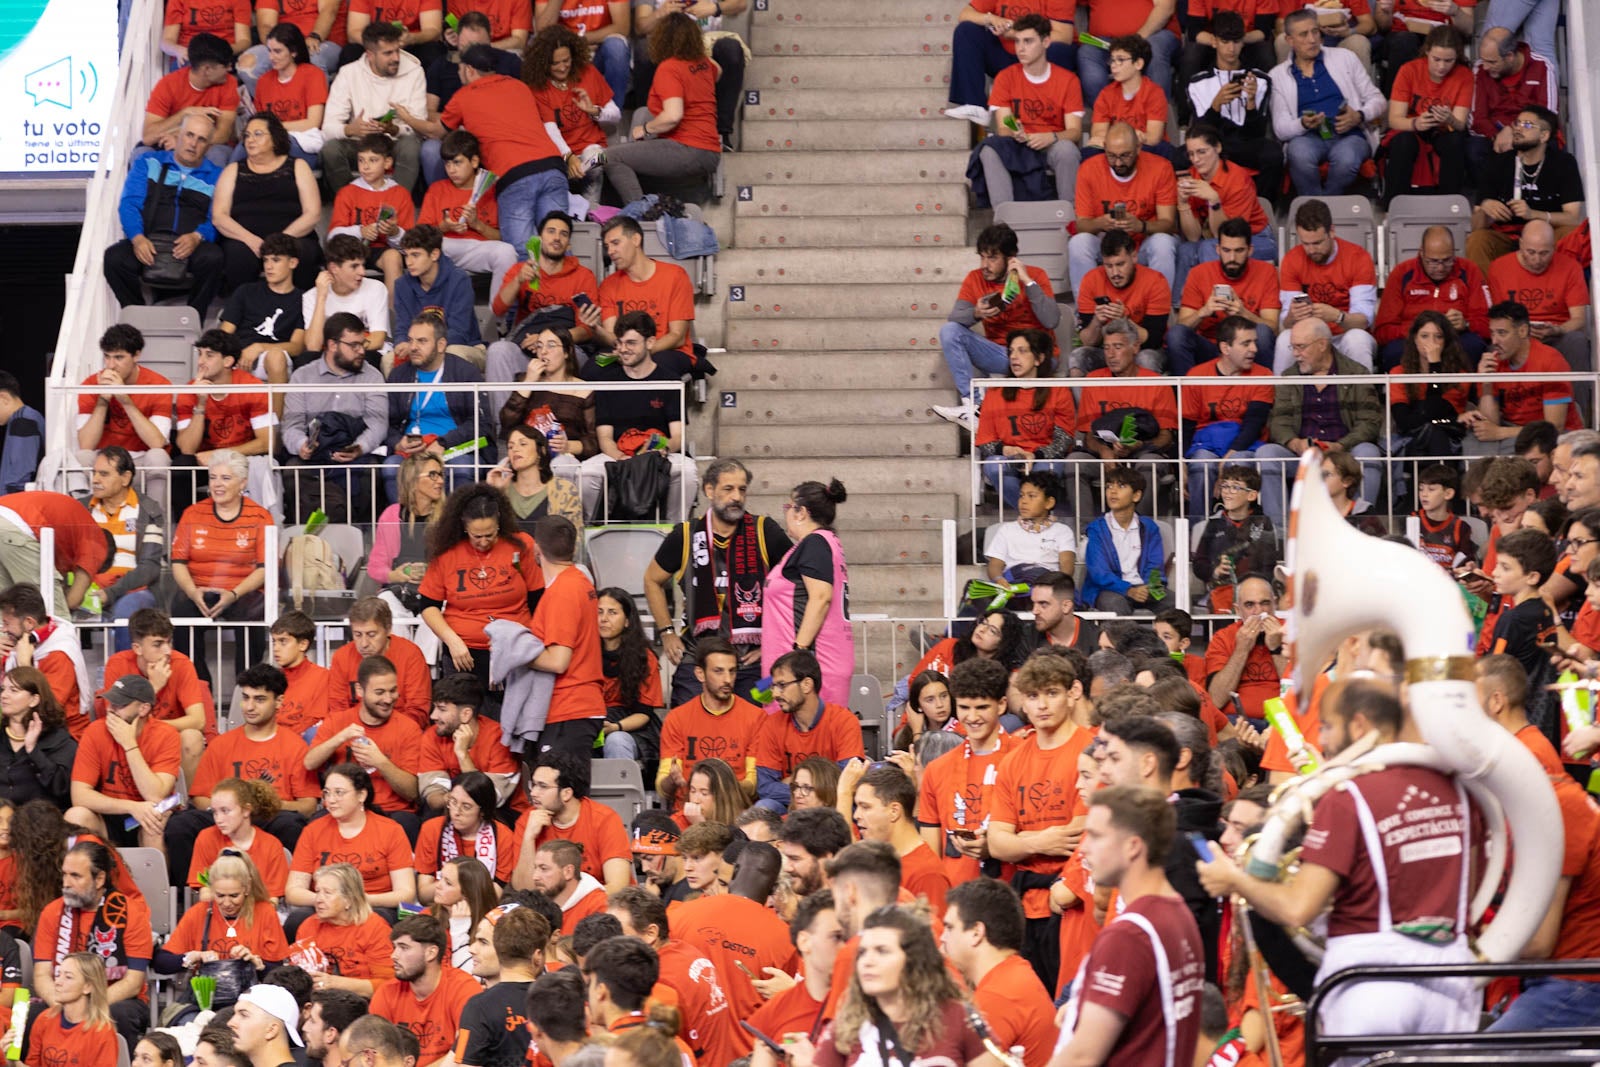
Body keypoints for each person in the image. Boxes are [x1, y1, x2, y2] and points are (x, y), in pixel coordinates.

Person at [1197, 680, 1480, 1044]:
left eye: (1327, 727)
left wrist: (1235, 881)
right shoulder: (1458, 789)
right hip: (1452, 982)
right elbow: (1469, 890)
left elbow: (1299, 908)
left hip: (1372, 987)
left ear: (1359, 725)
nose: (1323, 741)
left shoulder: (1346, 796)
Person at [1055, 785, 1205, 1067]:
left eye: (1097, 836)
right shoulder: (1177, 912)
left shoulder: (1130, 935)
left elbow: (1082, 1056)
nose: (1084, 847)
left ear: (1133, 846)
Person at [645, 460, 792, 704]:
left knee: (758, 727)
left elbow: (795, 588)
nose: (737, 497)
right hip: (697, 658)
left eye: (742, 490)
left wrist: (771, 644)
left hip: (750, 662)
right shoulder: (685, 534)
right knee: (687, 722)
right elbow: (651, 579)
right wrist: (667, 632)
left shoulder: (765, 530)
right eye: (728, 489)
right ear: (709, 490)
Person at [988, 654, 1092, 988]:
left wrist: (1020, 843)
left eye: (1051, 693)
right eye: (1033, 696)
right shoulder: (1013, 760)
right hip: (1024, 905)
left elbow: (1082, 835)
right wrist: (1042, 841)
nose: (1042, 705)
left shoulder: (1091, 751)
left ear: (1072, 692)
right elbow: (996, 842)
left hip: (1071, 901)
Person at [783, 907, 987, 1067]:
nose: (867, 961)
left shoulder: (961, 1019)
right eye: (863, 952)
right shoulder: (846, 1025)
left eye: (882, 951)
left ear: (914, 959)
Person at [440, 44, 570, 255]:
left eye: (460, 68)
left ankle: (536, 288)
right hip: (553, 167)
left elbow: (438, 130)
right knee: (556, 246)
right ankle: (568, 289)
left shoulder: (463, 96)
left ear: (470, 70)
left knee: (523, 252)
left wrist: (409, 119)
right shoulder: (519, 85)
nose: (458, 72)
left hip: (515, 175)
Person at [1256, 318, 1383, 530]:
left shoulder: (1356, 373)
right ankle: (1280, 535)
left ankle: (1359, 527)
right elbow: (1279, 421)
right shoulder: (1289, 377)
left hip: (1344, 453)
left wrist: (1340, 446)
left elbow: (1369, 422)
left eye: (1301, 347)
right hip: (1303, 456)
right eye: (1293, 347)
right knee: (1266, 454)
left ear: (1322, 344)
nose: (1295, 353)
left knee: (1369, 452)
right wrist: (1295, 443)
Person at [933, 224, 1061, 429]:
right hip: (1001, 354)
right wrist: (976, 313)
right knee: (950, 331)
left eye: (992, 258)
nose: (985, 264)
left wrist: (1026, 281)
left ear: (1010, 258)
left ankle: (977, 409)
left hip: (1039, 356)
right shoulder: (975, 278)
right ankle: (973, 405)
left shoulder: (1035, 275)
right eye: (982, 257)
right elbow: (955, 316)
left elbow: (1051, 320)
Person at [418, 482, 542, 689]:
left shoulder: (522, 545)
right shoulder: (446, 552)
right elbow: (428, 605)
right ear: (464, 527)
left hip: (514, 650)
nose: (484, 542)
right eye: (477, 536)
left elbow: (538, 598)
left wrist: (532, 642)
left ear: (499, 525)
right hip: (463, 653)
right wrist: (452, 641)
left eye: (490, 535)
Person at [577, 312, 698, 522]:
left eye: (631, 343)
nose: (623, 349)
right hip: (619, 454)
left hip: (659, 454)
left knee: (688, 470)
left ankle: (676, 532)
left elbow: (678, 435)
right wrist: (620, 458)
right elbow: (604, 436)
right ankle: (590, 532)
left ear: (650, 342)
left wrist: (662, 449)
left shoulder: (668, 379)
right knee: (586, 473)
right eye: (620, 343)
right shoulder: (607, 381)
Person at [33, 842, 154, 1049]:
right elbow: (42, 974)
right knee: (33, 1015)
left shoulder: (131, 913)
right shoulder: (52, 912)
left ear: (99, 879)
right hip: (63, 995)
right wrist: (58, 1000)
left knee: (119, 1015)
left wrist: (88, 1005)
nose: (66, 883)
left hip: (115, 999)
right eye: (64, 875)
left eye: (76, 876)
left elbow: (133, 982)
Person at [106, 112, 227, 316]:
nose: (193, 143)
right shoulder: (149, 161)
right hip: (149, 241)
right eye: (189, 135)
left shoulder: (216, 175)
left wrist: (198, 237)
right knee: (114, 259)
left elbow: (216, 217)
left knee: (214, 258)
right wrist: (137, 238)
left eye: (201, 139)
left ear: (208, 146)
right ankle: (137, 315)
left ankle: (194, 317)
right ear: (178, 135)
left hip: (189, 244)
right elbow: (129, 204)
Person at [168, 450, 272, 685]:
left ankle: (247, 689)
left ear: (242, 482)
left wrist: (234, 594)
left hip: (243, 590)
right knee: (181, 613)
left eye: (225, 478)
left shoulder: (260, 516)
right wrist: (193, 592)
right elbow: (178, 563)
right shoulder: (193, 513)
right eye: (213, 477)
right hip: (200, 589)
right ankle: (199, 688)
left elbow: (264, 568)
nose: (217, 485)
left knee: (254, 615)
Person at [281, 311, 390, 524]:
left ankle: (360, 537)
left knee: (370, 475)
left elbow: (377, 423)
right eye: (354, 345)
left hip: (355, 452)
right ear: (332, 345)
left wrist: (359, 447)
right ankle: (304, 539)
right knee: (291, 474)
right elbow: (291, 425)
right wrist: (301, 445)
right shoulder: (302, 376)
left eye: (363, 344)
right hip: (313, 455)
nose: (361, 351)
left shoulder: (372, 376)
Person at [668, 840, 798, 1018]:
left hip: (689, 1039)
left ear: (734, 871)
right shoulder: (786, 938)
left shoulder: (680, 915)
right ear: (774, 887)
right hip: (753, 1043)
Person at [601, 13, 721, 204]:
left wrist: (646, 128)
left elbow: (673, 115)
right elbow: (719, 71)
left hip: (687, 148)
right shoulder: (703, 63)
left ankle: (639, 213)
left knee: (609, 156)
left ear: (662, 39)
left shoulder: (670, 67)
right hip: (710, 152)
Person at [914, 658, 1016, 883]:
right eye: (964, 708)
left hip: (1011, 895)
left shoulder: (1024, 758)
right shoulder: (937, 769)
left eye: (981, 707)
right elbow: (932, 854)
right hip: (955, 898)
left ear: (1001, 705)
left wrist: (998, 846)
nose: (972, 717)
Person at [942, 879, 1060, 1067]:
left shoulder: (999, 994)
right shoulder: (1011, 975)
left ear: (976, 933)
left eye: (949, 927)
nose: (943, 937)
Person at [971, 14, 1084, 210]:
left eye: (1028, 41)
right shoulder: (1005, 77)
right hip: (1019, 143)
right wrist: (1016, 131)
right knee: (989, 149)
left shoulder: (1068, 80)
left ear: (1046, 42)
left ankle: (1069, 215)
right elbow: (1005, 125)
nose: (1020, 48)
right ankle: (1004, 217)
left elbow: (1074, 131)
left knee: (1067, 150)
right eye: (1017, 41)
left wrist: (1052, 136)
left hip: (1051, 143)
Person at [1268, 9, 1384, 196]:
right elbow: (1280, 129)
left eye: (1315, 31)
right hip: (1308, 137)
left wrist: (1359, 115)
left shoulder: (1345, 58)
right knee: (1298, 153)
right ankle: (1315, 204)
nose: (1312, 39)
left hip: (1349, 135)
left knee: (1347, 158)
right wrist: (1302, 123)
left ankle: (1323, 207)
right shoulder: (1278, 75)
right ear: (1290, 41)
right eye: (1304, 34)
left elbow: (1377, 100)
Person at [94, 605, 212, 785]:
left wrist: (155, 727)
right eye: (158, 644)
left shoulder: (181, 663)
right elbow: (116, 718)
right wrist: (152, 687)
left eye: (169, 642)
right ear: (137, 648)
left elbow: (198, 721)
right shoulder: (118, 664)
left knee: (192, 737)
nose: (167, 651)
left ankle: (189, 805)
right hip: (129, 736)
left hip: (167, 737)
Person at [306, 658, 424, 836]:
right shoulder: (338, 721)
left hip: (392, 812)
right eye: (379, 692)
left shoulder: (409, 728)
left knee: (408, 824)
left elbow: (412, 792)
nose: (388, 699)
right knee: (316, 824)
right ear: (360, 691)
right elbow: (309, 763)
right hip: (345, 809)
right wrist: (340, 738)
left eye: (393, 691)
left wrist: (380, 762)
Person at [761, 480, 854, 707]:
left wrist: (799, 651)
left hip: (801, 669)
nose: (787, 514)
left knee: (794, 735)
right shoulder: (822, 543)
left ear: (801, 512)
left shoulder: (815, 543)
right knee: (759, 708)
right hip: (784, 666)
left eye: (788, 507)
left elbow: (821, 597)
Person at [383, 313, 492, 502]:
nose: (413, 347)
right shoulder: (399, 375)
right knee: (391, 468)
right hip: (411, 453)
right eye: (410, 340)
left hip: (454, 449)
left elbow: (481, 424)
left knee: (463, 468)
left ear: (441, 345)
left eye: (422, 341)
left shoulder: (465, 372)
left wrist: (443, 443)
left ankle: (454, 526)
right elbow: (386, 423)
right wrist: (397, 443)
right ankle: (405, 527)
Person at [212, 112, 323, 295]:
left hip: (292, 237)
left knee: (305, 253)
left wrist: (280, 241)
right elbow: (219, 216)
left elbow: (312, 213)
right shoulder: (233, 170)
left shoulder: (298, 166)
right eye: (247, 135)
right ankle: (243, 315)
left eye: (257, 134)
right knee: (238, 256)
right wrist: (251, 240)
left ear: (275, 138)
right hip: (244, 240)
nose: (250, 140)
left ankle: (301, 314)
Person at [65, 674, 179, 851]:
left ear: (143, 709)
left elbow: (155, 795)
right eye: (111, 703)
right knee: (75, 816)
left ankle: (154, 879)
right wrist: (132, 807)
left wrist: (129, 744)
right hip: (112, 814)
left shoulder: (166, 735)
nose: (111, 710)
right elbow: (80, 796)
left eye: (120, 705)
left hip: (149, 814)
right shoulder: (95, 731)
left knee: (153, 824)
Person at [288, 764, 418, 918]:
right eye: (327, 793)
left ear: (361, 795)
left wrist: (360, 899)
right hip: (325, 905)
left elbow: (406, 893)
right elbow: (293, 891)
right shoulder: (313, 831)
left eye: (339, 793)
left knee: (378, 919)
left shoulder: (391, 830)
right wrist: (330, 900)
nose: (331, 800)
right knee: (298, 919)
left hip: (373, 905)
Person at [488, 229, 603, 404]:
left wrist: (548, 341)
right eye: (551, 232)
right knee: (498, 350)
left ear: (569, 244)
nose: (557, 237)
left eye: (563, 234)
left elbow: (587, 330)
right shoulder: (521, 270)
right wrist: (518, 280)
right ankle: (503, 427)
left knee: (562, 353)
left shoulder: (582, 275)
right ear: (540, 239)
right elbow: (498, 310)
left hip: (567, 349)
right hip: (526, 349)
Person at [1466, 105, 1584, 274]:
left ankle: (1561, 289)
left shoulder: (1563, 162)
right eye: (1517, 123)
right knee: (1477, 240)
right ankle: (1488, 297)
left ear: (1544, 135)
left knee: (1571, 234)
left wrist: (1533, 214)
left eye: (1527, 125)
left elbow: (1573, 218)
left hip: (1546, 236)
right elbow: (1475, 226)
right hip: (1506, 235)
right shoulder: (1497, 163)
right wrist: (1485, 209)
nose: (1518, 129)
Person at [1177, 319, 1275, 519]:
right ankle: (1197, 535)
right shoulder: (1196, 375)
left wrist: (1228, 458)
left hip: (1246, 446)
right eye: (1246, 343)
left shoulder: (1263, 374)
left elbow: (1254, 425)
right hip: (1205, 445)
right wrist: (1180, 463)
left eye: (1254, 342)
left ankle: (1241, 529)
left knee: (1237, 463)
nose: (1254, 349)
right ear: (1225, 347)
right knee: (1201, 464)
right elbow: (1186, 427)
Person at [1067, 123, 1178, 299]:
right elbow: (1082, 225)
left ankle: (1160, 309)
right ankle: (1085, 313)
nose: (1118, 163)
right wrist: (1100, 223)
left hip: (1142, 244)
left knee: (1163, 243)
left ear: (1138, 148)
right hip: (1106, 245)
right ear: (1104, 148)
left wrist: (1140, 225)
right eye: (1111, 156)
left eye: (1125, 156)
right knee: (1079, 243)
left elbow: (1168, 223)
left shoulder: (1161, 167)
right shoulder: (1089, 169)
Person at [172, 330, 275, 515]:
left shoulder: (252, 387)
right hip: (205, 461)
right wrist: (200, 403)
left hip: (244, 457)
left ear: (228, 361)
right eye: (200, 354)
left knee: (265, 465)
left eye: (209, 355)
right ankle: (185, 528)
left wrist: (219, 454)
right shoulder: (189, 391)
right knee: (181, 467)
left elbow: (266, 441)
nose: (201, 361)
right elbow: (187, 448)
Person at [74, 325, 174, 511]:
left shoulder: (159, 384)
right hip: (105, 461)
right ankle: (84, 524)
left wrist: (125, 400)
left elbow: (157, 442)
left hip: (140, 463)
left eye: (119, 357)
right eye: (107, 356)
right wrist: (103, 399)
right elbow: (86, 443)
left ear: (136, 356)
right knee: (81, 457)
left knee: (158, 456)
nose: (111, 365)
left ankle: (157, 528)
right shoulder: (90, 384)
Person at [1462, 301, 1581, 456]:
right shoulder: (1493, 361)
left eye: (1502, 333)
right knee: (1473, 446)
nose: (1495, 341)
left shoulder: (1551, 360)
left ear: (1523, 331)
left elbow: (1553, 427)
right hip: (1510, 427)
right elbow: (1489, 424)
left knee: (1513, 455)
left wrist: (1500, 433)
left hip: (1550, 433)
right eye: (1492, 333)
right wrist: (1486, 381)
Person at [974, 330, 1075, 512]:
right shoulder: (996, 391)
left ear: (1039, 358)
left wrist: (1035, 455)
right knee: (994, 466)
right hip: (1011, 456)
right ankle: (1037, 517)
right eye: (1011, 351)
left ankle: (1035, 518)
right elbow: (985, 441)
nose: (1014, 357)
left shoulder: (1058, 390)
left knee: (1044, 471)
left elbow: (1063, 439)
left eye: (1022, 351)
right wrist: (1007, 450)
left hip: (1044, 457)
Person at [1486, 219, 1593, 392]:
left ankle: (1577, 410)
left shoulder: (1570, 267)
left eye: (1544, 253)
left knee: (1577, 341)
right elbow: (1497, 318)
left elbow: (1579, 319)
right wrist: (1519, 333)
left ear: (1554, 247)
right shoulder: (1499, 268)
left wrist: (1558, 330)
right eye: (1531, 252)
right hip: (1515, 335)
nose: (1537, 260)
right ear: (1520, 244)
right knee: (1495, 346)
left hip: (1556, 333)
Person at [1181, 12, 1279, 198]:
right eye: (1225, 42)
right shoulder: (1198, 82)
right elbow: (1201, 132)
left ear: (1243, 42)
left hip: (1246, 143)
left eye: (1236, 41)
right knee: (1179, 157)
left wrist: (1251, 103)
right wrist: (1216, 105)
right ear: (1214, 42)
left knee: (1273, 154)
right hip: (1214, 144)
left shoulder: (1261, 80)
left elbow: (1256, 133)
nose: (1231, 49)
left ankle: (1263, 207)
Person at [1274, 199, 1378, 372]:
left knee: (1357, 339)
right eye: (1305, 244)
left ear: (1331, 232)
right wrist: (1293, 316)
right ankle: (1281, 397)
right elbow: (1287, 323)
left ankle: (1364, 398)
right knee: (1285, 339)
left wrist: (1337, 317)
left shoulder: (1358, 257)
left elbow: (1364, 321)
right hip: (1309, 337)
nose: (1311, 250)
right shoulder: (1293, 259)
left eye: (1317, 243)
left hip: (1346, 334)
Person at [754, 649, 865, 812]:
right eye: (773, 686)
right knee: (764, 807)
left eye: (782, 685)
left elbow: (847, 782)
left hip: (832, 805)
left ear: (806, 685)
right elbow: (765, 788)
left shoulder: (844, 721)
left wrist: (793, 783)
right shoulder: (771, 724)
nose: (775, 694)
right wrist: (812, 789)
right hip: (790, 804)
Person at [321, 23, 427, 192]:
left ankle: (394, 207)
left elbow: (420, 129)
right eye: (388, 53)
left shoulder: (415, 72)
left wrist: (394, 129)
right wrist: (350, 129)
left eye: (397, 50)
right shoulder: (348, 73)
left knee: (411, 146)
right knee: (331, 149)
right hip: (359, 143)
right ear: (370, 55)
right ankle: (349, 203)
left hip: (395, 143)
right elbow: (328, 129)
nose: (396, 58)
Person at [80, 448, 166, 653]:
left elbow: (150, 568)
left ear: (126, 477)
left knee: (126, 611)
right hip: (87, 589)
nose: (95, 480)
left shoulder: (148, 510)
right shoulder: (81, 509)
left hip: (134, 590)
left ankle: (124, 680)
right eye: (94, 473)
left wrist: (110, 593)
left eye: (104, 474)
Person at [1167, 221, 1280, 378]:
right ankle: (1187, 397)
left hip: (1247, 348)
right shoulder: (1199, 273)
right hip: (1210, 347)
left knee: (1262, 331)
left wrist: (1243, 313)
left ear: (1250, 250)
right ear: (1218, 250)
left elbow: (1272, 328)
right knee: (1176, 335)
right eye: (1226, 250)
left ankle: (1262, 394)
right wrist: (1203, 312)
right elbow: (1182, 326)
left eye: (1239, 251)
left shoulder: (1266, 272)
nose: (1232, 258)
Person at [1173, 125, 1276, 293]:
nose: (1196, 160)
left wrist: (1214, 201)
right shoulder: (1192, 176)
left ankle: (1218, 304)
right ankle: (1181, 310)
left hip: (1254, 238)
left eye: (1201, 152)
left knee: (1210, 247)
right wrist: (1183, 203)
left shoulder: (1238, 179)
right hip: (1213, 238)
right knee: (1185, 250)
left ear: (1218, 148)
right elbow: (1192, 237)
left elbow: (1226, 236)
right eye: (1191, 154)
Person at [369, 914, 483, 1066]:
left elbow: (466, 1054)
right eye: (395, 947)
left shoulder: (463, 988)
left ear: (431, 953)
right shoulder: (386, 992)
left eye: (404, 948)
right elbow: (375, 1054)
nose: (394, 956)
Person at [513, 749, 632, 892]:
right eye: (534, 785)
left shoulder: (604, 819)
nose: (533, 793)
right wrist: (529, 839)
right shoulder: (528, 820)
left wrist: (573, 905)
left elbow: (618, 886)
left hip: (598, 906)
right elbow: (523, 890)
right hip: (549, 908)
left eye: (542, 786)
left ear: (566, 794)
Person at [943, 0, 1078, 125]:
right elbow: (965, 14)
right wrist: (991, 19)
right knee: (966, 30)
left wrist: (1015, 33)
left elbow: (1064, 36)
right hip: (1004, 54)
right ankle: (974, 104)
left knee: (1058, 48)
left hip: (1041, 59)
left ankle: (1050, 111)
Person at [1374, 227, 1491, 371]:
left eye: (1447, 260)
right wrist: (1419, 331)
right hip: (1411, 340)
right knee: (1393, 352)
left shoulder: (1470, 271)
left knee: (1474, 346)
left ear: (1454, 253)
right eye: (1433, 261)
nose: (1441, 268)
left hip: (1456, 338)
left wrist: (1466, 324)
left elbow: (1488, 325)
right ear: (1421, 253)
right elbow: (1382, 331)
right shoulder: (1402, 273)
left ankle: (1463, 393)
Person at [493, 321, 596, 483]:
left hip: (563, 456)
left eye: (551, 345)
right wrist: (529, 382)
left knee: (561, 465)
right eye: (539, 346)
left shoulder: (583, 389)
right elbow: (506, 421)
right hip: (527, 453)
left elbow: (593, 442)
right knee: (502, 468)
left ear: (567, 352)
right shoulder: (524, 380)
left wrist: (568, 446)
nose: (544, 352)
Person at [1379, 26, 1470, 206]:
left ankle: (1449, 205)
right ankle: (1393, 206)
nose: (1441, 66)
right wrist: (1416, 123)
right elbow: (1395, 119)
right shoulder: (1409, 70)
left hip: (1444, 130)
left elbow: (1460, 124)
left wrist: (1449, 118)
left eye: (1448, 61)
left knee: (1455, 142)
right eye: (1436, 59)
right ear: (1427, 51)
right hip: (1411, 127)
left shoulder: (1463, 75)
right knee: (1404, 142)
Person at [162, 852, 289, 979]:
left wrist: (257, 964)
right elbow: (162, 963)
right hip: (208, 992)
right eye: (220, 896)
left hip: (252, 992)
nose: (227, 903)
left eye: (234, 896)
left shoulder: (265, 912)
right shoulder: (199, 912)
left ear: (247, 888)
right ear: (211, 890)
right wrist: (195, 956)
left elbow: (280, 972)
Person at [523, 27, 616, 201]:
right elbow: (550, 129)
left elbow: (616, 114)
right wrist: (569, 157)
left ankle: (591, 212)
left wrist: (595, 111)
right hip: (559, 154)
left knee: (598, 160)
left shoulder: (588, 72)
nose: (562, 67)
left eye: (566, 60)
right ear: (543, 63)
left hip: (596, 149)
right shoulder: (538, 87)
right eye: (555, 63)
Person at [844, 765, 951, 913]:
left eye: (865, 807)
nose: (857, 816)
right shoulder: (877, 857)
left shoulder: (927, 874)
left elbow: (933, 933)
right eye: (857, 807)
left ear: (894, 811)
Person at [417, 129, 519, 284]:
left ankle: (500, 307)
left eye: (457, 162)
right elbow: (420, 236)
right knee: (423, 248)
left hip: (477, 248)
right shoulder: (437, 189)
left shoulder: (491, 190)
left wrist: (477, 225)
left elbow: (502, 237)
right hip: (445, 246)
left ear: (474, 162)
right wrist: (444, 227)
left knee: (507, 251)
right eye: (447, 163)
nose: (451, 170)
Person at [455, 906, 553, 1067]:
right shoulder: (561, 999)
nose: (472, 949)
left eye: (483, 942)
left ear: (499, 949)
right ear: (538, 955)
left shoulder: (478, 1007)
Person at [590, 217, 697, 359]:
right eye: (607, 246)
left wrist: (642, 353)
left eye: (615, 243)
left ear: (636, 239)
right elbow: (612, 336)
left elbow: (677, 336)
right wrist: (595, 328)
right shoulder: (608, 285)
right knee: (593, 368)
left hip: (665, 351)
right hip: (625, 354)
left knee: (655, 370)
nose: (610, 251)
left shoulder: (675, 276)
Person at [182, 776, 302, 902]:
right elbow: (205, 892)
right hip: (218, 915)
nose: (218, 819)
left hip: (258, 916)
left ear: (246, 810)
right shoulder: (206, 838)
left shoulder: (271, 845)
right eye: (215, 812)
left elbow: (272, 900)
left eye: (225, 811)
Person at [1070, 230, 1170, 378]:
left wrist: (1125, 320)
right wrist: (1097, 321)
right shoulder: (1091, 280)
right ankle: (1086, 402)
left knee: (1147, 359)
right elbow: (1087, 342)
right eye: (1108, 266)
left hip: (1143, 349)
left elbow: (1154, 341)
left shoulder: (1155, 281)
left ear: (1134, 257)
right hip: (1107, 349)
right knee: (1078, 357)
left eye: (1120, 264)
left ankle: (1140, 402)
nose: (1115, 273)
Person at [291, 862, 400, 996]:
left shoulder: (375, 928)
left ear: (349, 900)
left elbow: (388, 985)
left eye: (327, 893)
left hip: (361, 1002)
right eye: (317, 892)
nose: (318, 899)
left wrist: (336, 983)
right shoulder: (309, 925)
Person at [327, 133, 412, 299]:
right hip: (352, 249)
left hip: (383, 250)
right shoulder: (348, 192)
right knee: (342, 262)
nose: (365, 167)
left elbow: (408, 245)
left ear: (387, 163)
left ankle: (392, 316)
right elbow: (333, 236)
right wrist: (360, 232)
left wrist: (394, 232)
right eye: (361, 160)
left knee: (393, 257)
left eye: (373, 160)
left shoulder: (400, 194)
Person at [419, 674, 521, 812]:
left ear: (466, 714)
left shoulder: (500, 739)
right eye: (435, 708)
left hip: (495, 814)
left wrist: (462, 755)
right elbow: (434, 798)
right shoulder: (433, 735)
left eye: (442, 709)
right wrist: (456, 800)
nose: (433, 716)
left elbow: (488, 801)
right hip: (448, 809)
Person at [1468, 27, 1558, 177]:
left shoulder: (1541, 66)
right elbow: (1477, 119)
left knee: (1549, 144)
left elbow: (1548, 117)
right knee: (1473, 148)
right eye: (1483, 60)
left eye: (1491, 62)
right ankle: (1490, 197)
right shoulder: (1480, 70)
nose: (1485, 67)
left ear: (1509, 56)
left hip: (1531, 133)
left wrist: (1514, 130)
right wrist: (1497, 136)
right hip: (1495, 136)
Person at [332, 597, 434, 726]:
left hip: (400, 733)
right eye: (358, 634)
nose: (363, 644)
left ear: (388, 629)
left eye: (371, 634)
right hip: (355, 733)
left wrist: (383, 733)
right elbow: (337, 710)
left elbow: (418, 711)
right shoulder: (342, 656)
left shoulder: (410, 654)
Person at [416, 773, 518, 901]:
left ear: (483, 811)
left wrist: (454, 884)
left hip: (482, 910)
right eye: (452, 801)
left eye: (466, 807)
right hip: (440, 906)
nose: (456, 812)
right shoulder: (432, 829)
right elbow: (424, 895)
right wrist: (459, 885)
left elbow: (496, 894)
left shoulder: (503, 836)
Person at [1079, 468, 1165, 614]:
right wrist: (1128, 589)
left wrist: (1151, 587)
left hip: (1143, 587)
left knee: (1172, 602)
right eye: (1109, 486)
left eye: (1121, 486)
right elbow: (1099, 573)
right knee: (1115, 604)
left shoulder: (1149, 528)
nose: (1112, 491)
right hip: (1108, 589)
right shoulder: (1096, 528)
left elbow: (1155, 566)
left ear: (1136, 495)